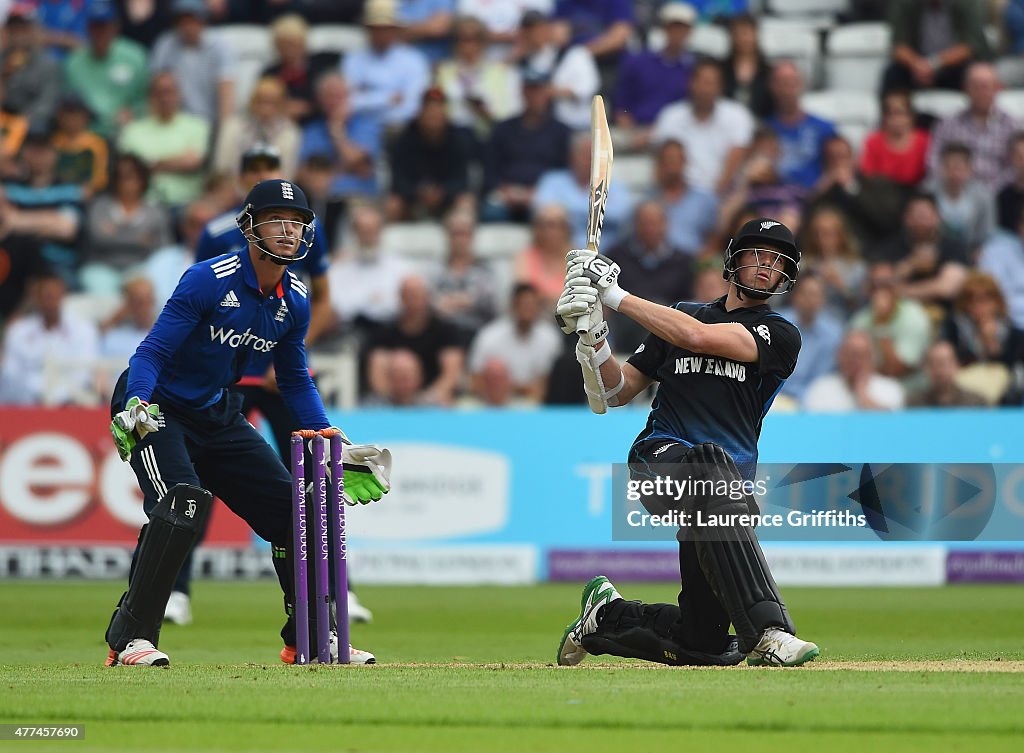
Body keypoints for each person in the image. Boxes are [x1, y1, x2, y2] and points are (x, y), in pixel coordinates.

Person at [102, 178, 392, 667]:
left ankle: (311, 638)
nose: (288, 230)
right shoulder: (207, 279)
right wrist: (136, 403)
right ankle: (131, 638)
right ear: (249, 226)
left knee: (295, 515)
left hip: (219, 412)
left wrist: (331, 438)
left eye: (298, 222)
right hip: (157, 409)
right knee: (181, 506)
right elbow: (151, 351)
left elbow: (295, 379)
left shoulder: (296, 299)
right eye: (277, 220)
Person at [553, 217, 820, 668]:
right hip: (660, 459)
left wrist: (615, 296)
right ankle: (770, 632)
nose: (764, 266)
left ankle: (603, 617)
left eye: (776, 261)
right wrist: (592, 335)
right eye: (756, 253)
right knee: (707, 464)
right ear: (733, 259)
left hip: (724, 493)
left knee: (704, 643)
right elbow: (614, 394)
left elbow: (696, 338)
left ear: (785, 274)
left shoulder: (780, 335)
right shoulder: (684, 313)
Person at [803, 329, 905, 412]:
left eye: (860, 356)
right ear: (839, 356)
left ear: (871, 358)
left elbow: (893, 428)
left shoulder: (890, 389)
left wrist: (864, 397)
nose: (853, 361)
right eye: (848, 355)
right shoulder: (821, 388)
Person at [907, 340, 987, 407]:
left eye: (943, 363)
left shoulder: (976, 403)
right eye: (932, 364)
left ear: (956, 365)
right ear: (926, 369)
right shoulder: (915, 405)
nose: (939, 370)